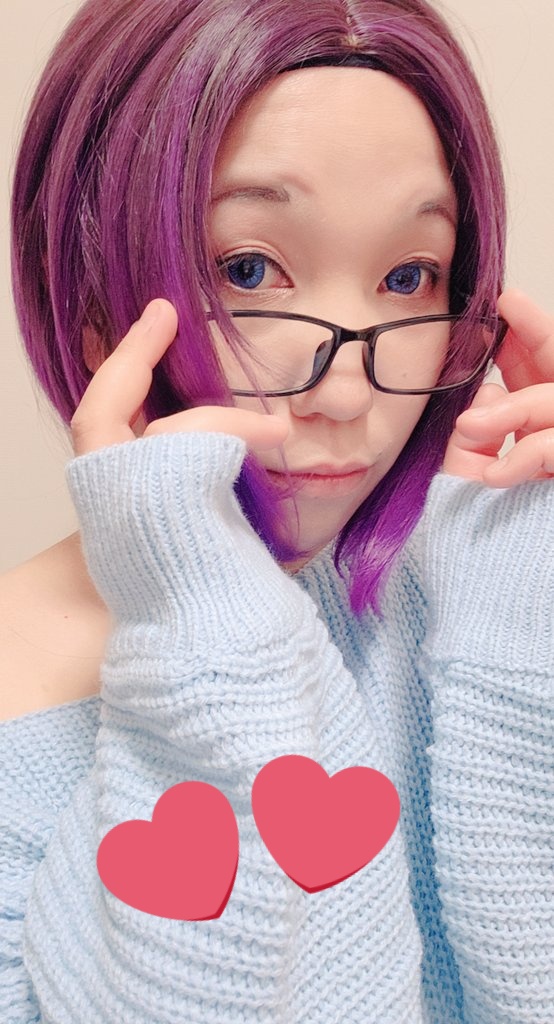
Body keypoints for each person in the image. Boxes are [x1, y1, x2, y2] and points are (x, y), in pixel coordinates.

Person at [1, 0, 553, 1021]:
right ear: (89, 292)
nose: (343, 393)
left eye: (408, 276)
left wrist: (526, 587)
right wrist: (206, 636)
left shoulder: (470, 585)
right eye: (246, 269)